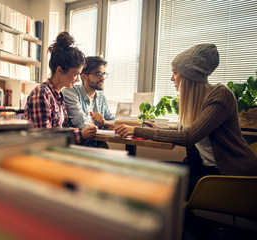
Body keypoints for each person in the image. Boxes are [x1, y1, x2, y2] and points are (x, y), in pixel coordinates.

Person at [115, 43, 257, 196]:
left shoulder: (220, 95)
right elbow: (185, 129)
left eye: (175, 72)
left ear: (190, 75)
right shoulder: (199, 100)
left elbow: (189, 136)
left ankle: (184, 220)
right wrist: (158, 130)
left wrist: (137, 130)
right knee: (151, 173)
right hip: (204, 169)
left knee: (160, 187)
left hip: (230, 175)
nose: (171, 78)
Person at [24, 31, 97, 143]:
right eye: (75, 74)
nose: (78, 79)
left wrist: (68, 131)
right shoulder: (42, 94)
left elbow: (55, 129)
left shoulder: (58, 95)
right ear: (60, 70)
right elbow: (43, 138)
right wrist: (79, 134)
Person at [62, 56, 115, 131]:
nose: (103, 78)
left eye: (103, 73)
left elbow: (113, 122)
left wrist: (103, 122)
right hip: (79, 141)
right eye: (98, 74)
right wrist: (95, 127)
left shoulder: (101, 96)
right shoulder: (70, 92)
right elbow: (81, 121)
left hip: (97, 141)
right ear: (84, 77)